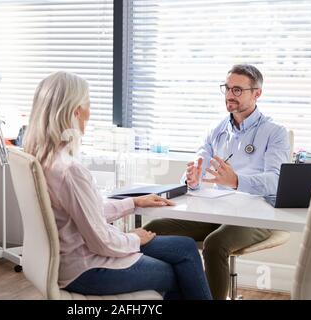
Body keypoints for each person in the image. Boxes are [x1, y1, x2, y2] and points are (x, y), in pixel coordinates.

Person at [23, 71, 212, 300]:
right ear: (75, 111)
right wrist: (134, 239)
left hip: (70, 260)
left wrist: (133, 202)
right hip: (88, 268)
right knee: (181, 268)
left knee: (185, 248)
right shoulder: (69, 170)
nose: (90, 113)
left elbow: (85, 212)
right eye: (88, 104)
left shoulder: (42, 158)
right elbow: (100, 241)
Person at [144, 64, 290, 300]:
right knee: (152, 230)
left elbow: (276, 181)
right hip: (218, 212)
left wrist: (237, 181)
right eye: (227, 88)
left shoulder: (275, 132)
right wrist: (191, 179)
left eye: (238, 90)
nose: (230, 95)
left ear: (257, 93)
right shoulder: (216, 130)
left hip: (259, 216)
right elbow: (197, 171)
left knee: (215, 244)